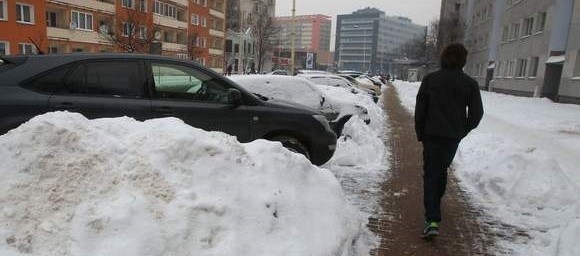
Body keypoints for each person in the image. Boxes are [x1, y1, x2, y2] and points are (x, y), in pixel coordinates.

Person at [414, 43, 484, 240]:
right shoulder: (469, 83)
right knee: (440, 169)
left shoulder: (430, 80)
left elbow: (420, 110)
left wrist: (421, 132)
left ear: (443, 58)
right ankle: (434, 206)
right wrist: (463, 130)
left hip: (431, 135)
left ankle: (432, 219)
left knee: (431, 174)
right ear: (464, 60)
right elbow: (477, 114)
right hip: (452, 137)